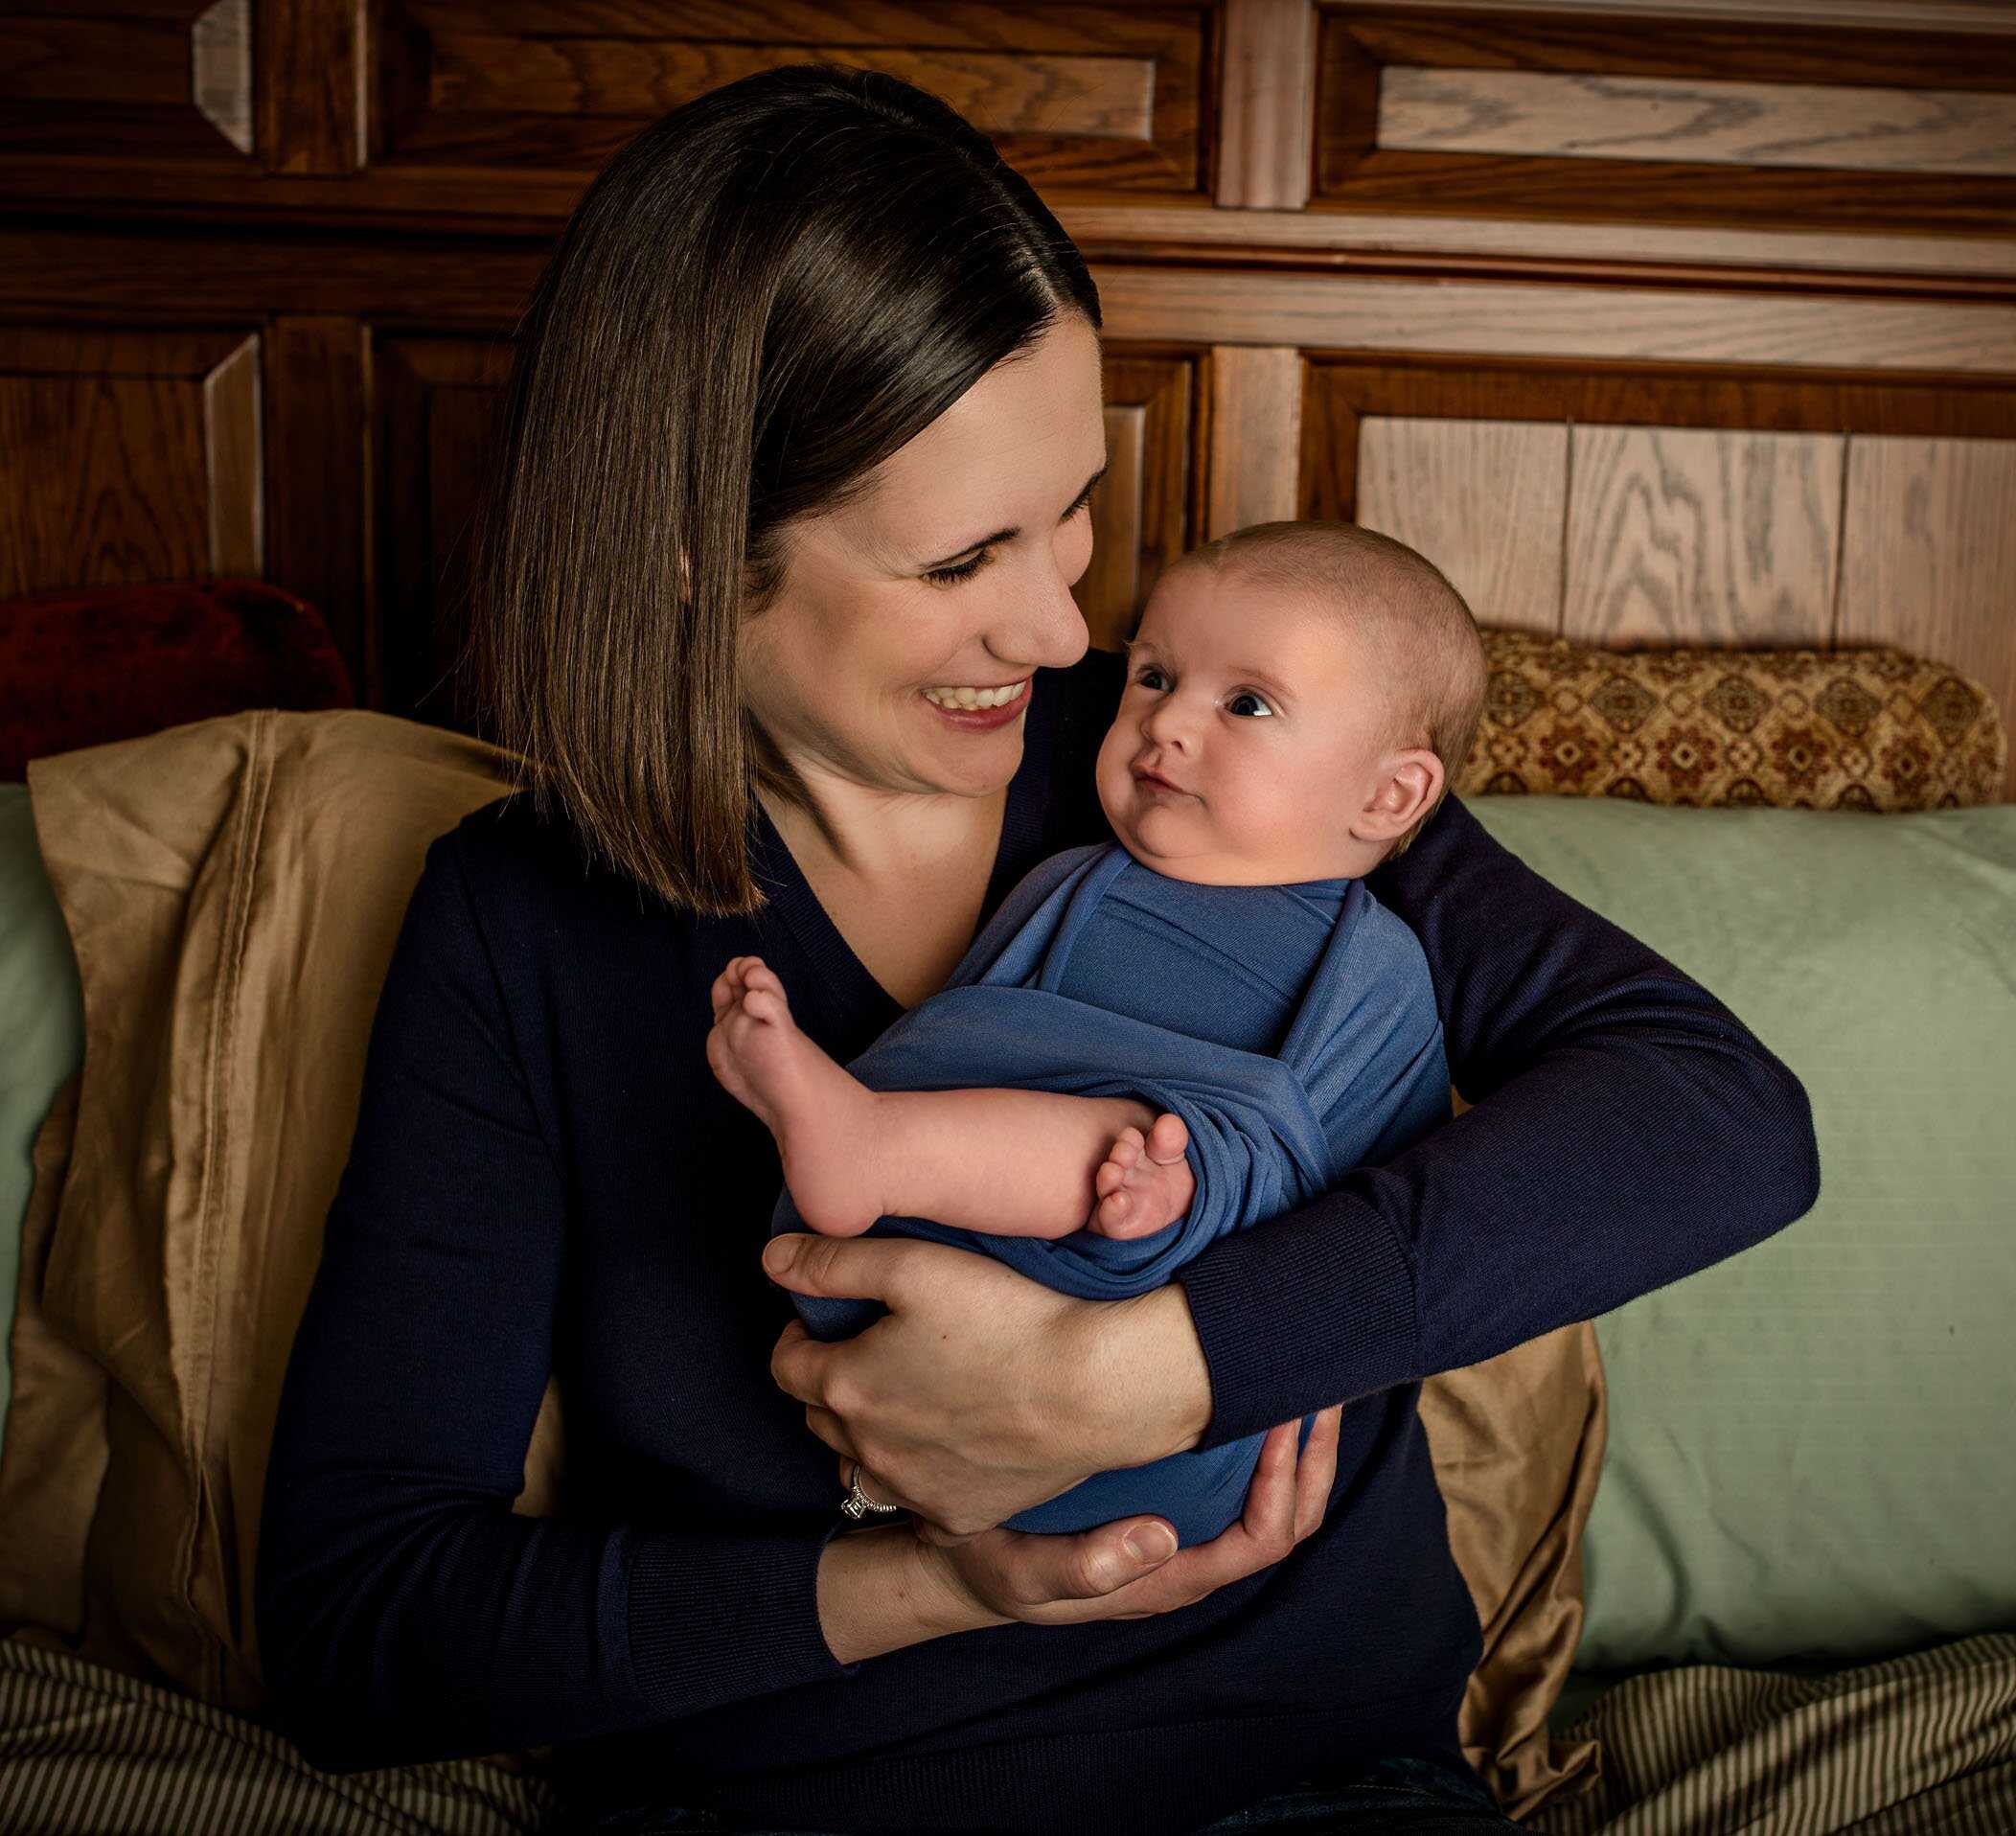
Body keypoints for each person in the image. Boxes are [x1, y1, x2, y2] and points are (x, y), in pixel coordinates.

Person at [254, 63, 1821, 1836]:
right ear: (692, 552)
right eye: (958, 558)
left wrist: (1136, 1370)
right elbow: (356, 1628)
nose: (1065, 623)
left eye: (1071, 505)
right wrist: (936, 1581)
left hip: (1309, 1790)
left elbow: (1717, 1120)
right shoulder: (523, 920)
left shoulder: (1218, 766)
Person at [708, 519, 1487, 1551]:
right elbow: (978, 1039)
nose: (1166, 725)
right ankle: (871, 1147)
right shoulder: (1074, 879)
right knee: (1040, 1113)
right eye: (1156, 675)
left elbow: (1355, 1179)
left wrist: (1183, 1194)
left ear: (1388, 793)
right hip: (903, 1331)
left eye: (1245, 703)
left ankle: (866, 1144)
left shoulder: (1370, 960)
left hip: (1170, 1397)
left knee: (1135, 1136)